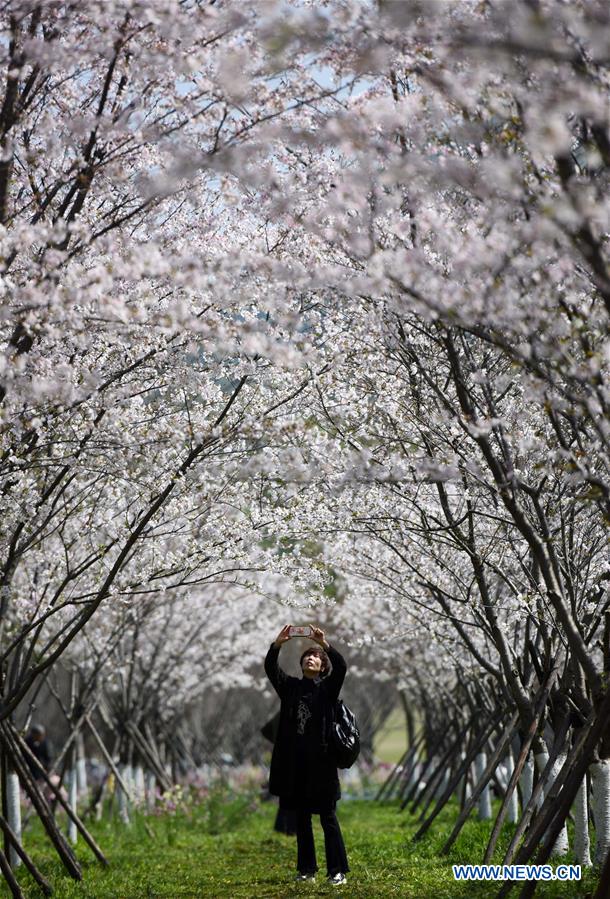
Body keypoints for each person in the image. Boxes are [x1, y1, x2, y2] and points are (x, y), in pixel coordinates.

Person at [264, 624, 349, 886]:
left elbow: (342, 667)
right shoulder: (290, 688)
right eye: (306, 657)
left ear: (322, 666)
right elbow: (271, 669)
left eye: (315, 658)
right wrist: (278, 644)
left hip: (322, 766)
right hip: (295, 766)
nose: (310, 659)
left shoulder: (327, 689)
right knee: (302, 821)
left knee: (328, 819)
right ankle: (306, 870)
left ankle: (337, 871)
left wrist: (324, 644)